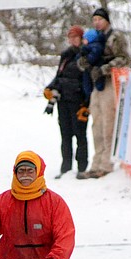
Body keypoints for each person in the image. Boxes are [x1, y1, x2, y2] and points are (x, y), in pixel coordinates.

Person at [80, 7, 130, 178]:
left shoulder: (115, 37)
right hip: (96, 83)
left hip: (110, 81)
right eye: (94, 20)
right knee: (97, 123)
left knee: (108, 123)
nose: (97, 23)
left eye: (99, 19)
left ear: (106, 20)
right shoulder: (92, 38)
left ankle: (106, 163)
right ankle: (96, 162)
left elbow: (123, 58)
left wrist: (104, 69)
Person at [45, 25, 89, 178]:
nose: (73, 40)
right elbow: (59, 76)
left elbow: (88, 81)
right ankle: (66, 168)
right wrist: (50, 89)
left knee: (80, 135)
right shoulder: (66, 55)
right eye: (71, 37)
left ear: (81, 38)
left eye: (76, 37)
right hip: (63, 100)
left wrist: (87, 104)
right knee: (65, 135)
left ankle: (82, 167)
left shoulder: (86, 54)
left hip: (79, 101)